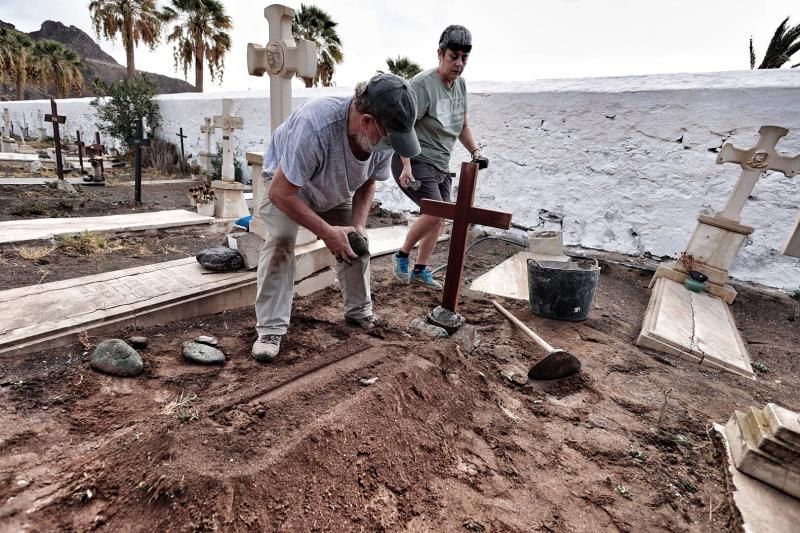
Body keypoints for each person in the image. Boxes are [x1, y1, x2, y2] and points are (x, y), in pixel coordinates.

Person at [252, 73, 420, 361]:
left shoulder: (379, 139)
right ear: (367, 121)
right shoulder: (315, 125)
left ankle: (358, 312)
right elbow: (280, 193)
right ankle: (270, 328)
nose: (392, 146)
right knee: (281, 240)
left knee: (356, 242)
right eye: (391, 138)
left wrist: (357, 227)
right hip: (287, 186)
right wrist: (328, 233)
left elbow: (368, 184)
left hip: (333, 190)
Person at [391, 25, 483, 290]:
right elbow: (402, 125)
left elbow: (462, 126)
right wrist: (406, 165)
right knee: (434, 212)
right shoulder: (422, 84)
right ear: (440, 53)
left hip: (440, 164)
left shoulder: (460, 85)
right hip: (412, 158)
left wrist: (475, 152)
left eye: (464, 58)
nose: (459, 63)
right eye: (453, 56)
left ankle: (420, 269)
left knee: (441, 217)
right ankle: (402, 254)